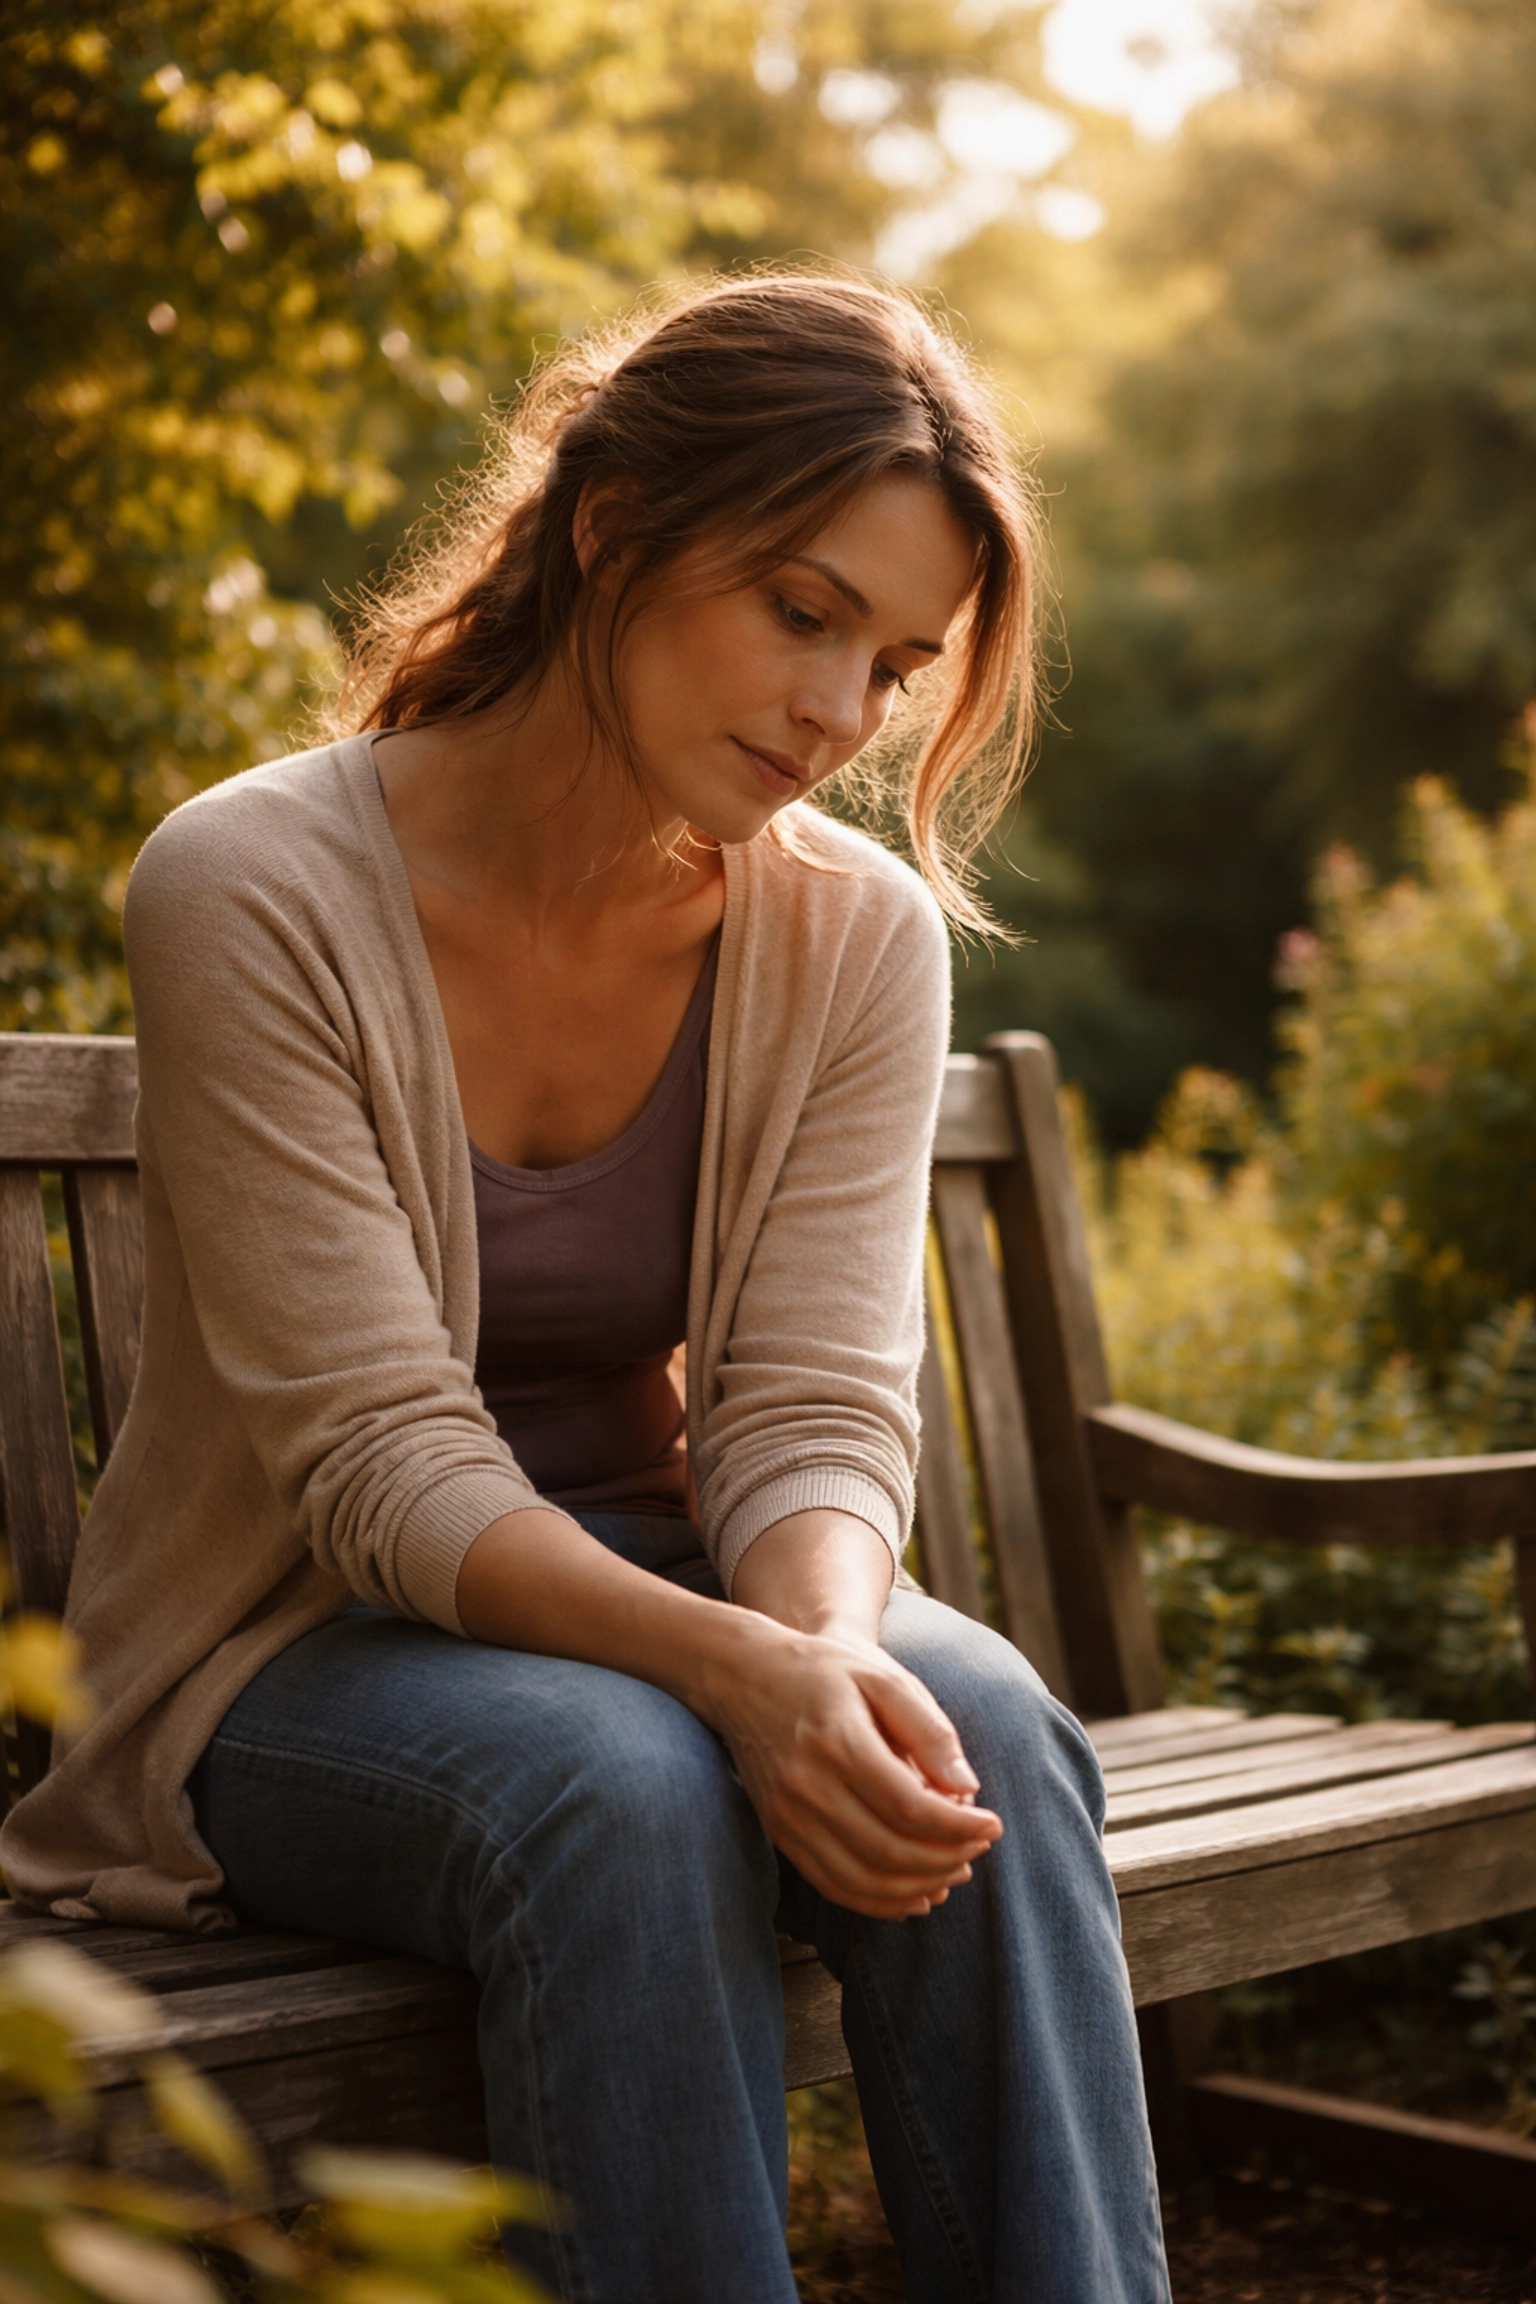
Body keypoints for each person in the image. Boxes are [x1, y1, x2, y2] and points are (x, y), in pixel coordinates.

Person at [1, 273, 1170, 2303]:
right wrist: (735, 1677)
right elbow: (374, 1459)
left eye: (893, 663)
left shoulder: (856, 937)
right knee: (618, 1789)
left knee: (978, 1721)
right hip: (282, 1656)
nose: (838, 712)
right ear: (613, 524)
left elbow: (810, 1401)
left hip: (672, 1591)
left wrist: (811, 1655)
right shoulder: (250, 884)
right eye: (801, 610)